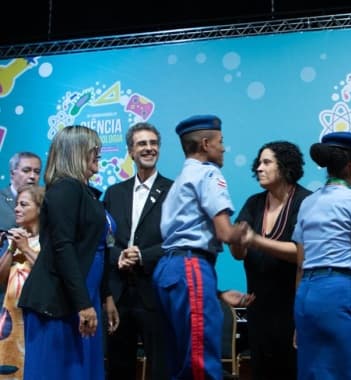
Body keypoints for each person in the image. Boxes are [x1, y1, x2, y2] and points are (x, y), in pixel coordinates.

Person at [18, 126, 119, 380]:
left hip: (85, 296)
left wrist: (105, 296)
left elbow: (99, 249)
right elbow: (64, 248)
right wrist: (83, 304)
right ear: (76, 152)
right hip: (61, 302)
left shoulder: (86, 193)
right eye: (93, 150)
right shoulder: (65, 189)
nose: (98, 156)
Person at [153, 114, 248, 380]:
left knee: (178, 358)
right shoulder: (209, 173)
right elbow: (224, 232)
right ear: (206, 144)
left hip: (168, 270)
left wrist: (216, 293)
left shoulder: (179, 181)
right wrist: (245, 233)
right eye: (221, 142)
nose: (224, 148)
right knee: (200, 361)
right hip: (192, 266)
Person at [293, 131, 351, 380]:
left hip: (305, 296)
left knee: (314, 370)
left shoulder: (307, 202)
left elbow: (300, 264)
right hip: (334, 290)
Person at [229, 141, 311, 380]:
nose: (259, 168)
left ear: (285, 167)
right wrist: (235, 238)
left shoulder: (305, 202)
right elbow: (238, 255)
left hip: (293, 310)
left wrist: (254, 240)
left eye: (267, 163)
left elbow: (301, 253)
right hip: (258, 309)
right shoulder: (254, 203)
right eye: (259, 163)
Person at [103, 122, 173, 380]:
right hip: (118, 294)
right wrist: (118, 255)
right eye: (142, 143)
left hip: (155, 291)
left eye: (153, 143)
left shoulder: (174, 191)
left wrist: (143, 255)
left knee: (161, 367)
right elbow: (103, 241)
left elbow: (178, 241)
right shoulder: (114, 193)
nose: (149, 148)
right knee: (118, 366)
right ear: (130, 151)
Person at [0, 185, 44, 378]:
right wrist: (11, 249)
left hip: (35, 319)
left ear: (40, 209)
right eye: (16, 204)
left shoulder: (49, 240)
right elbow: (1, 279)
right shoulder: (16, 237)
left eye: (23, 204)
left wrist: (25, 248)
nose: (16, 209)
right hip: (10, 318)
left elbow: (48, 275)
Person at [0, 152, 41, 231]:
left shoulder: (44, 203)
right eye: (26, 171)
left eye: (37, 172)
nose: (32, 176)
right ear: (12, 173)